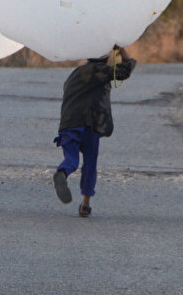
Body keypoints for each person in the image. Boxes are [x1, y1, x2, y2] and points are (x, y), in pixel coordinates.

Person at [52, 45, 136, 217]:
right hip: (90, 124)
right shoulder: (101, 71)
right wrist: (122, 51)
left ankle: (62, 172)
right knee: (90, 164)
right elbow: (125, 70)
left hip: (69, 123)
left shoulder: (76, 73)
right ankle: (85, 204)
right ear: (106, 58)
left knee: (72, 159)